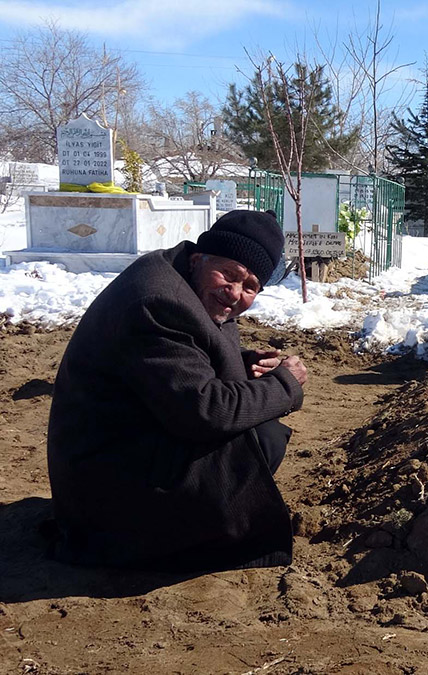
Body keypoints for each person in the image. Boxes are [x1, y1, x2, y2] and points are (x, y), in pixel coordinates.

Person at [47, 210, 307, 572]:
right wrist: (286, 385)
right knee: (259, 439)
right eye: (229, 275)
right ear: (201, 258)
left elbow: (182, 356)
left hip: (117, 450)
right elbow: (205, 412)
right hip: (105, 491)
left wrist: (242, 364)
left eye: (250, 287)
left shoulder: (181, 276)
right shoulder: (159, 302)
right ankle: (150, 541)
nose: (234, 294)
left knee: (258, 428)